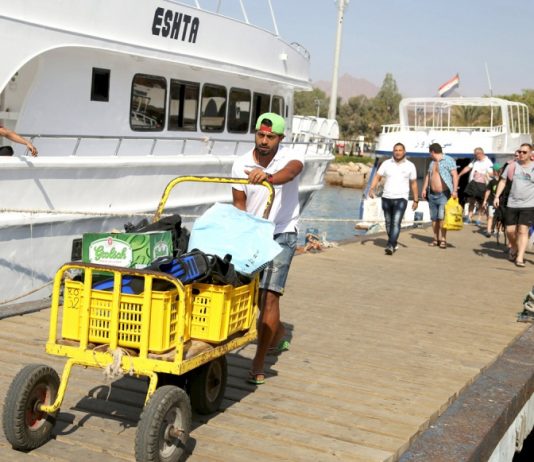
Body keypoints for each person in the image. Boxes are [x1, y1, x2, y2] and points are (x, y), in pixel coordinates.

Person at [231, 112, 303, 385]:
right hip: (254, 233)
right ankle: (278, 332)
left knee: (270, 297)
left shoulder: (290, 157)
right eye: (260, 135)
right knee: (252, 296)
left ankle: (258, 362)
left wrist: (268, 177)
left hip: (282, 232)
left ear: (280, 138)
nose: (263, 141)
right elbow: (239, 204)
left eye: (270, 137)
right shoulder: (240, 164)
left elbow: (291, 172)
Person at [367, 142, 418, 255]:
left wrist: (415, 200)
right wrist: (371, 189)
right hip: (386, 197)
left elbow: (414, 183)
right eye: (396, 150)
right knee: (388, 222)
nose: (398, 152)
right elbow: (378, 176)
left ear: (404, 152)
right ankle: (393, 242)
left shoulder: (410, 165)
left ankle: (390, 245)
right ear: (393, 152)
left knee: (396, 222)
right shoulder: (386, 163)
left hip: (401, 198)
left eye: (400, 150)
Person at [493, 143, 534, 267]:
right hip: (512, 203)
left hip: (529, 204)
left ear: (531, 154)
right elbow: (503, 181)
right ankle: (515, 247)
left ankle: (520, 257)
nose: (521, 154)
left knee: (523, 230)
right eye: (520, 151)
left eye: (524, 152)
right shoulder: (512, 166)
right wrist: (497, 196)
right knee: (510, 231)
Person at [421, 143, 459, 249]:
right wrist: (424, 189)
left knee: (442, 218)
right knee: (434, 219)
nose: (429, 155)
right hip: (432, 194)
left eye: (430, 152)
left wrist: (455, 190)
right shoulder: (432, 163)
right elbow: (428, 176)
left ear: (432, 151)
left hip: (443, 194)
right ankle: (435, 239)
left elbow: (455, 175)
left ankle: (443, 239)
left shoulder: (449, 160)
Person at [458, 147, 493, 225]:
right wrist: (459, 175)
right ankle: (469, 217)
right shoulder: (475, 161)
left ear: (480, 153)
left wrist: (483, 174)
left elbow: (492, 173)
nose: (474, 156)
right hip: (473, 184)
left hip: (483, 185)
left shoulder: (488, 162)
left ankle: (479, 219)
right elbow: (468, 168)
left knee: (481, 203)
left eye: (475, 155)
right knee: (471, 201)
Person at [482, 163, 501, 237]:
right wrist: (485, 200)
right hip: (491, 202)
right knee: (490, 216)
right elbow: (488, 191)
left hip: (500, 202)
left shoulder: (503, 181)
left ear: (496, 171)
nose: (492, 171)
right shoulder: (492, 181)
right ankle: (488, 231)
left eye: (493, 170)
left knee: (499, 217)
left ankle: (497, 230)